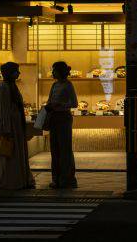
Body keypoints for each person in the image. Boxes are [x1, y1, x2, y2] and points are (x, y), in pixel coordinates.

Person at [0, 62, 35, 190]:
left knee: (16, 153)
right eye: (16, 71)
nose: (18, 73)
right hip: (11, 125)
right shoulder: (4, 87)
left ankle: (18, 180)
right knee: (12, 154)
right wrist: (7, 129)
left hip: (15, 124)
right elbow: (5, 110)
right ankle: (13, 181)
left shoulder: (11, 86)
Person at [46, 61, 78, 189]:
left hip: (64, 118)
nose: (53, 73)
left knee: (64, 149)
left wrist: (61, 105)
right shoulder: (54, 85)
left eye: (54, 70)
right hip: (54, 118)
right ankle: (56, 179)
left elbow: (74, 103)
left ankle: (67, 179)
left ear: (60, 71)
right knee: (55, 150)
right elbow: (49, 100)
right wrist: (49, 106)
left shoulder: (68, 85)